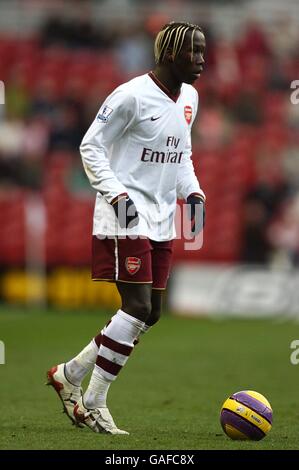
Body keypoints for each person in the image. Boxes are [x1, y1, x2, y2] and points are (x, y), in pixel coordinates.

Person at [47, 21, 206, 435]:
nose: (203, 61)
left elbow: (182, 154)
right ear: (170, 55)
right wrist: (116, 194)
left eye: (204, 52)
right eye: (195, 52)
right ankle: (95, 401)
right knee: (135, 306)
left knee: (150, 312)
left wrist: (193, 192)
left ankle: (70, 372)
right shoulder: (130, 96)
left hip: (160, 218)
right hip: (124, 213)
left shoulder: (190, 97)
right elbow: (91, 146)